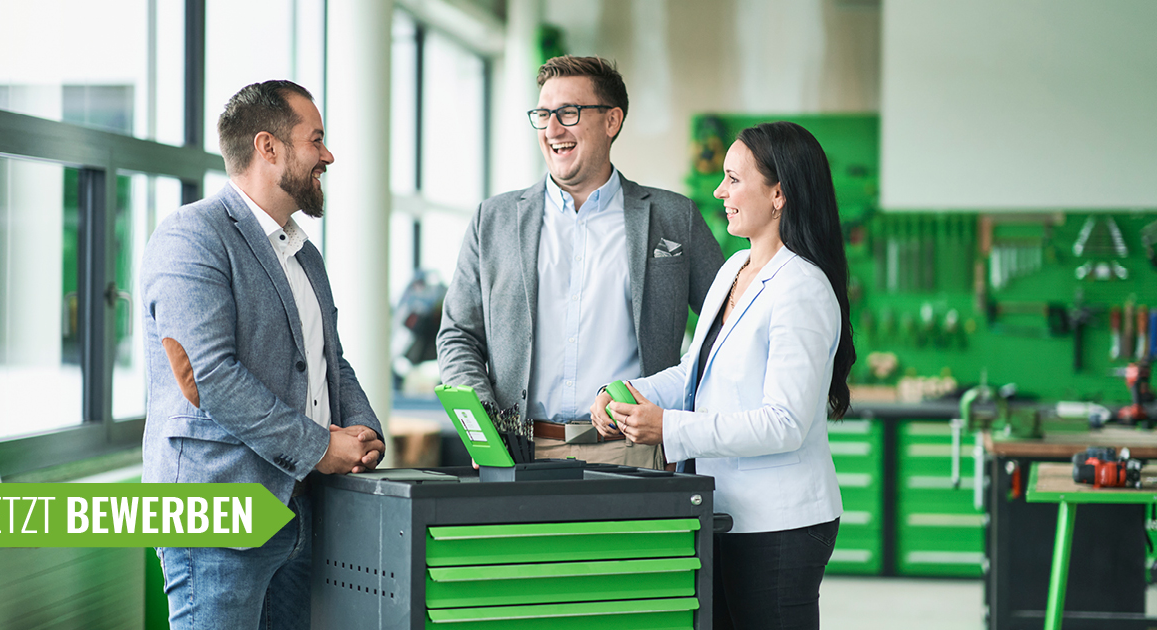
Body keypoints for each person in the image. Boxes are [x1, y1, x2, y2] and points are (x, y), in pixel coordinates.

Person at [590, 121, 856, 629]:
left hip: (780, 525)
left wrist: (669, 427)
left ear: (779, 194)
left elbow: (783, 423)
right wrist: (625, 392)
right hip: (723, 512)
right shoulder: (734, 268)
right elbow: (694, 371)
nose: (719, 192)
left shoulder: (802, 288)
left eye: (733, 179)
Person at [141, 80, 385, 630]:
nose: (328, 155)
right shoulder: (192, 235)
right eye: (315, 139)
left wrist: (364, 431)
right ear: (267, 147)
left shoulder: (304, 254)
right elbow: (208, 375)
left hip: (300, 509)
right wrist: (320, 446)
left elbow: (330, 360)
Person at [437, 56, 723, 469]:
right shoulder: (493, 220)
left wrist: (674, 404)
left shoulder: (674, 217)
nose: (552, 129)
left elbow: (727, 330)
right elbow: (458, 335)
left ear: (612, 121)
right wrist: (483, 425)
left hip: (634, 449)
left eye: (568, 113)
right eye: (543, 115)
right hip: (518, 452)